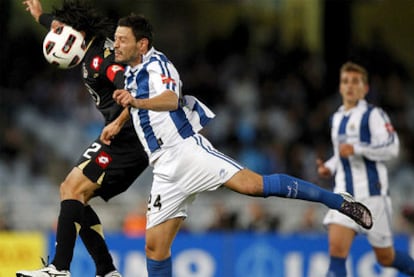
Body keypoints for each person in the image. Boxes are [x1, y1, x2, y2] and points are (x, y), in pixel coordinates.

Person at [107, 14, 373, 276]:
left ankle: (338, 201)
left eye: (121, 39)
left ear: (141, 45)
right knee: (154, 248)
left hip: (186, 151)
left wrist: (136, 102)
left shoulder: (158, 65)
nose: (116, 44)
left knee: (254, 186)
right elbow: (135, 102)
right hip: (164, 169)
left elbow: (170, 99)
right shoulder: (133, 71)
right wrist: (119, 122)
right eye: (115, 39)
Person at [17, 1, 150, 277]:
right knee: (76, 196)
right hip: (125, 138)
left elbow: (136, 90)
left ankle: (59, 269)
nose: (55, 30)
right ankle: (107, 271)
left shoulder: (101, 61)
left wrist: (117, 123)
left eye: (59, 28)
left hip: (127, 139)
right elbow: (61, 25)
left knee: (71, 189)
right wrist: (42, 16)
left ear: (74, 34)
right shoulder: (94, 41)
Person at [317, 61, 414, 276]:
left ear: (365, 88)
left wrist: (358, 148)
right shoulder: (337, 118)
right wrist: (330, 167)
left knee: (385, 257)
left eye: (355, 82)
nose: (350, 86)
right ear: (340, 87)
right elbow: (341, 153)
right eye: (345, 81)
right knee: (336, 251)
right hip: (344, 194)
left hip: (373, 195)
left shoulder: (374, 115)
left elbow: (392, 147)